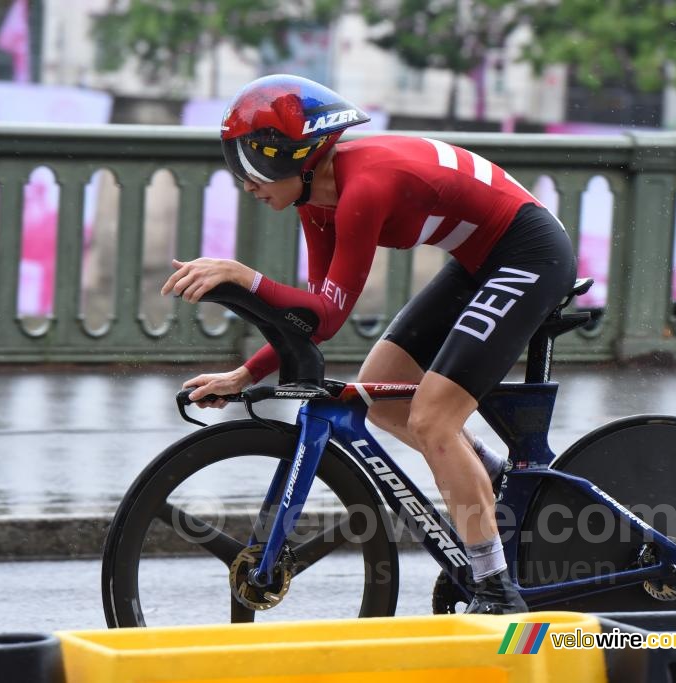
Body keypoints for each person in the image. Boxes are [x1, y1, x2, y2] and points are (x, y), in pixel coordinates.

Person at [161, 74, 576, 615]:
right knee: (380, 396)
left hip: (529, 255)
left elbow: (327, 319)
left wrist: (245, 278)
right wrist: (245, 375)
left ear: (298, 156)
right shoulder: (315, 198)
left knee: (432, 421)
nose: (247, 184)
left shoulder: (363, 190)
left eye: (254, 165)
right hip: (479, 260)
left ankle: (496, 588)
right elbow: (312, 312)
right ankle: (496, 477)